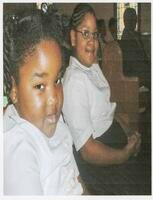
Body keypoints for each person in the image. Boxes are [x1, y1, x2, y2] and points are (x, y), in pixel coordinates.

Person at [62, 3, 142, 195]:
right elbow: (88, 151)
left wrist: (130, 132)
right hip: (99, 161)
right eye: (85, 33)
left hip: (114, 143)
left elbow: (107, 109)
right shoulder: (74, 82)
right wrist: (125, 154)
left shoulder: (91, 65)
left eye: (95, 34)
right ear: (73, 37)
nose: (92, 42)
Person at [3, 9, 83, 195]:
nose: (54, 98)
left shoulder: (53, 120)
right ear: (14, 89)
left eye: (57, 80)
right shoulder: (18, 148)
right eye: (39, 86)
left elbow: (76, 181)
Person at [120, 8, 151, 89]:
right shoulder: (126, 37)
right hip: (134, 72)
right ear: (126, 20)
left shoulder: (135, 34)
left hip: (141, 68)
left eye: (135, 18)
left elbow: (143, 54)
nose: (136, 21)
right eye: (133, 18)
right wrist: (147, 69)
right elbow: (132, 60)